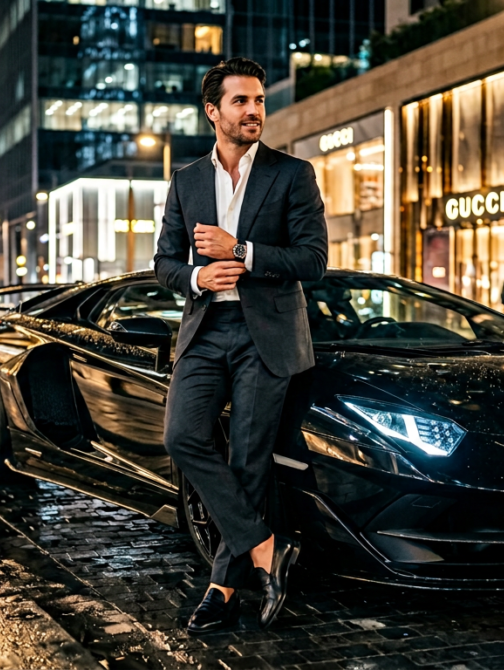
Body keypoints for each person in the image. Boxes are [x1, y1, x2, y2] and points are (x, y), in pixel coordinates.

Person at [154, 58, 328, 635]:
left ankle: (221, 591)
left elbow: (313, 260)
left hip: (266, 335)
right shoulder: (186, 180)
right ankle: (267, 547)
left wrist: (241, 252)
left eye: (259, 101)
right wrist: (197, 277)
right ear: (213, 111)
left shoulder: (292, 174)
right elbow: (164, 263)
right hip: (206, 330)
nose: (254, 111)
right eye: (241, 101)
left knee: (248, 461)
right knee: (182, 436)